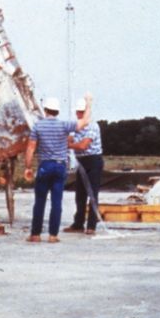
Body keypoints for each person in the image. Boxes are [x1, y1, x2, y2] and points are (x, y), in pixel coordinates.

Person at [24, 93, 92, 243]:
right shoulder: (64, 125)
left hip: (44, 166)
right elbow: (85, 121)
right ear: (58, 111)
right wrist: (88, 102)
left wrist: (28, 167)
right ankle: (53, 235)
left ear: (46, 109)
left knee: (40, 201)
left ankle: (35, 234)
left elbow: (30, 148)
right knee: (57, 202)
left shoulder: (38, 126)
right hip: (60, 166)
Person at [64, 98, 104, 235]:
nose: (79, 114)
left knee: (92, 194)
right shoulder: (77, 126)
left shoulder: (93, 126)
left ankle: (91, 225)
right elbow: (69, 137)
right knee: (80, 195)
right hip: (81, 161)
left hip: (93, 161)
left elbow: (83, 145)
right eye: (78, 112)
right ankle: (78, 223)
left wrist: (68, 145)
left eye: (81, 112)